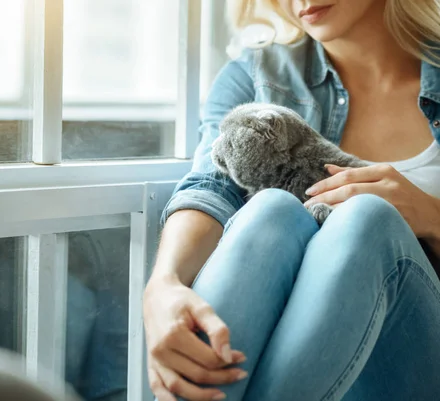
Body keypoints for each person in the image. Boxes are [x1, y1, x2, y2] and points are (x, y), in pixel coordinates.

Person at [142, 0, 440, 400]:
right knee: (272, 208)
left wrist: (433, 218)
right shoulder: (256, 76)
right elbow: (210, 188)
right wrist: (163, 285)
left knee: (366, 217)